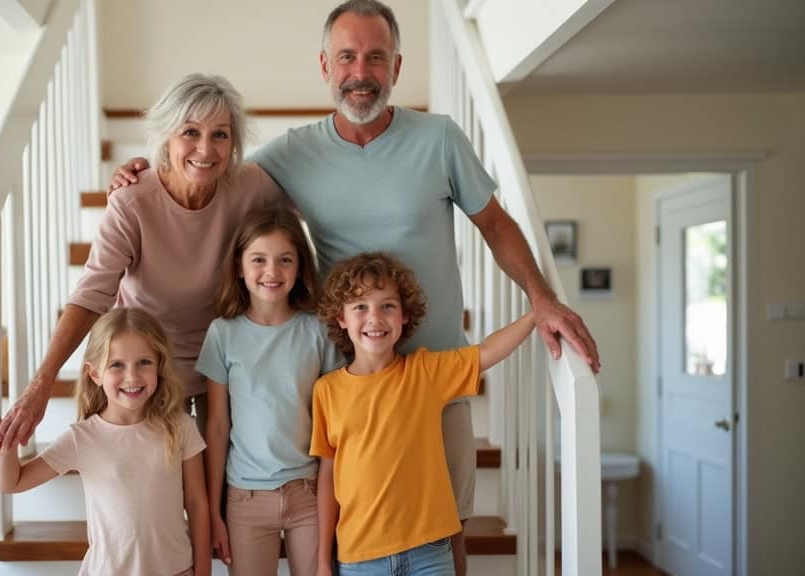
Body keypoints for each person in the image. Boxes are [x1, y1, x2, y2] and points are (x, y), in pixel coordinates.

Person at [110, 2, 599, 572]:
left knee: (447, 531)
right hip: (351, 381)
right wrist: (144, 169)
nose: (360, 72)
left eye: (375, 57)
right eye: (346, 57)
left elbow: (495, 224)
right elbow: (208, 167)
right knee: (355, 535)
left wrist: (541, 298)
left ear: (396, 66)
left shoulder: (440, 138)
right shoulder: (294, 153)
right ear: (325, 65)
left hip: (436, 375)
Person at [0, 73, 285, 454]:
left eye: (220, 134)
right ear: (166, 136)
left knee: (223, 482)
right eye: (190, 132)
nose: (206, 148)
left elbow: (314, 213)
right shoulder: (132, 201)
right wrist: (42, 383)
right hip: (146, 370)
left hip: (222, 366)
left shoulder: (250, 187)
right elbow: (91, 295)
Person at [311, 252, 535, 575]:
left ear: (404, 316)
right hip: (360, 558)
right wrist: (322, 560)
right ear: (341, 318)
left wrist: (537, 314)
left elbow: (487, 352)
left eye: (387, 306)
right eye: (360, 307)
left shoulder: (425, 372)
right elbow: (327, 475)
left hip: (429, 554)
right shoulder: (326, 391)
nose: (375, 318)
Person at [0, 307, 210, 576]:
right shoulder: (82, 438)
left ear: (159, 367)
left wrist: (203, 570)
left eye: (144, 362)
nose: (132, 376)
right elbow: (11, 483)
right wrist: (8, 445)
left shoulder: (181, 427)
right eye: (117, 365)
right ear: (94, 374)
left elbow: (197, 503)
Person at [196, 207, 345, 575]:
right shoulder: (223, 334)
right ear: (239, 266)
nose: (272, 271)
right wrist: (214, 511)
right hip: (245, 497)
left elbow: (336, 424)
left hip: (309, 491)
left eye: (285, 260)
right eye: (259, 259)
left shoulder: (318, 332)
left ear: (300, 267)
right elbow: (217, 426)